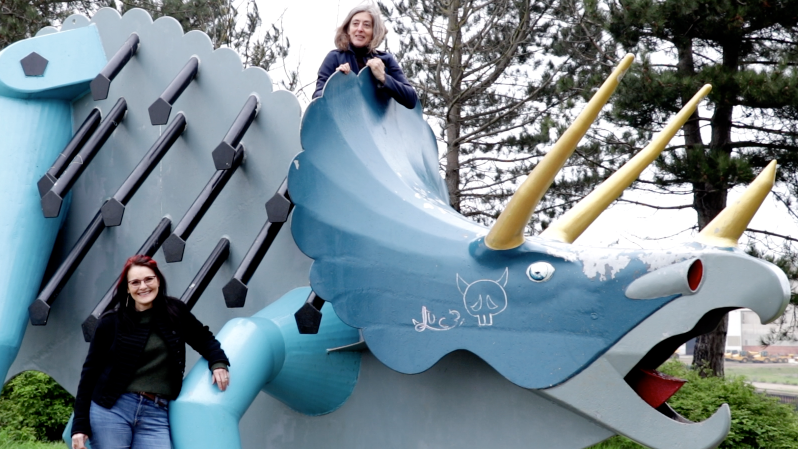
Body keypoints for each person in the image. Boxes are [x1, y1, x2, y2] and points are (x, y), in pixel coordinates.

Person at [71, 255, 230, 449]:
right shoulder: (111, 322)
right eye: (135, 282)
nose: (143, 286)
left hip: (156, 412)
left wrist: (218, 362)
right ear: (127, 289)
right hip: (112, 409)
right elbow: (89, 374)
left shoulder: (175, 311)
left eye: (148, 279)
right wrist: (79, 426)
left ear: (158, 280)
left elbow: (203, 338)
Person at [313, 3, 418, 109]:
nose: (360, 29)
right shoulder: (334, 57)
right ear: (348, 29)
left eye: (367, 25)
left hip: (376, 125)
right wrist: (336, 83)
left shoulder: (386, 60)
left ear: (374, 32)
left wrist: (383, 77)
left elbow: (411, 99)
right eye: (355, 24)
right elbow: (317, 99)